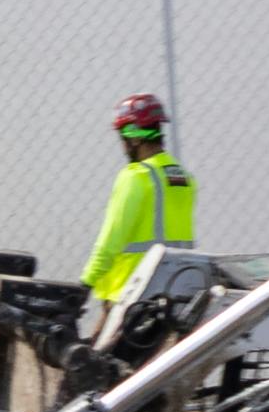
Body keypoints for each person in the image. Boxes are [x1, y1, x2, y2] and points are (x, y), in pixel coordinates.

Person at [81, 93, 199, 302]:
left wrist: (87, 282)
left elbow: (111, 239)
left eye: (123, 137)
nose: (123, 145)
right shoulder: (183, 177)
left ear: (134, 137)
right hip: (176, 290)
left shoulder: (136, 176)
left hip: (132, 291)